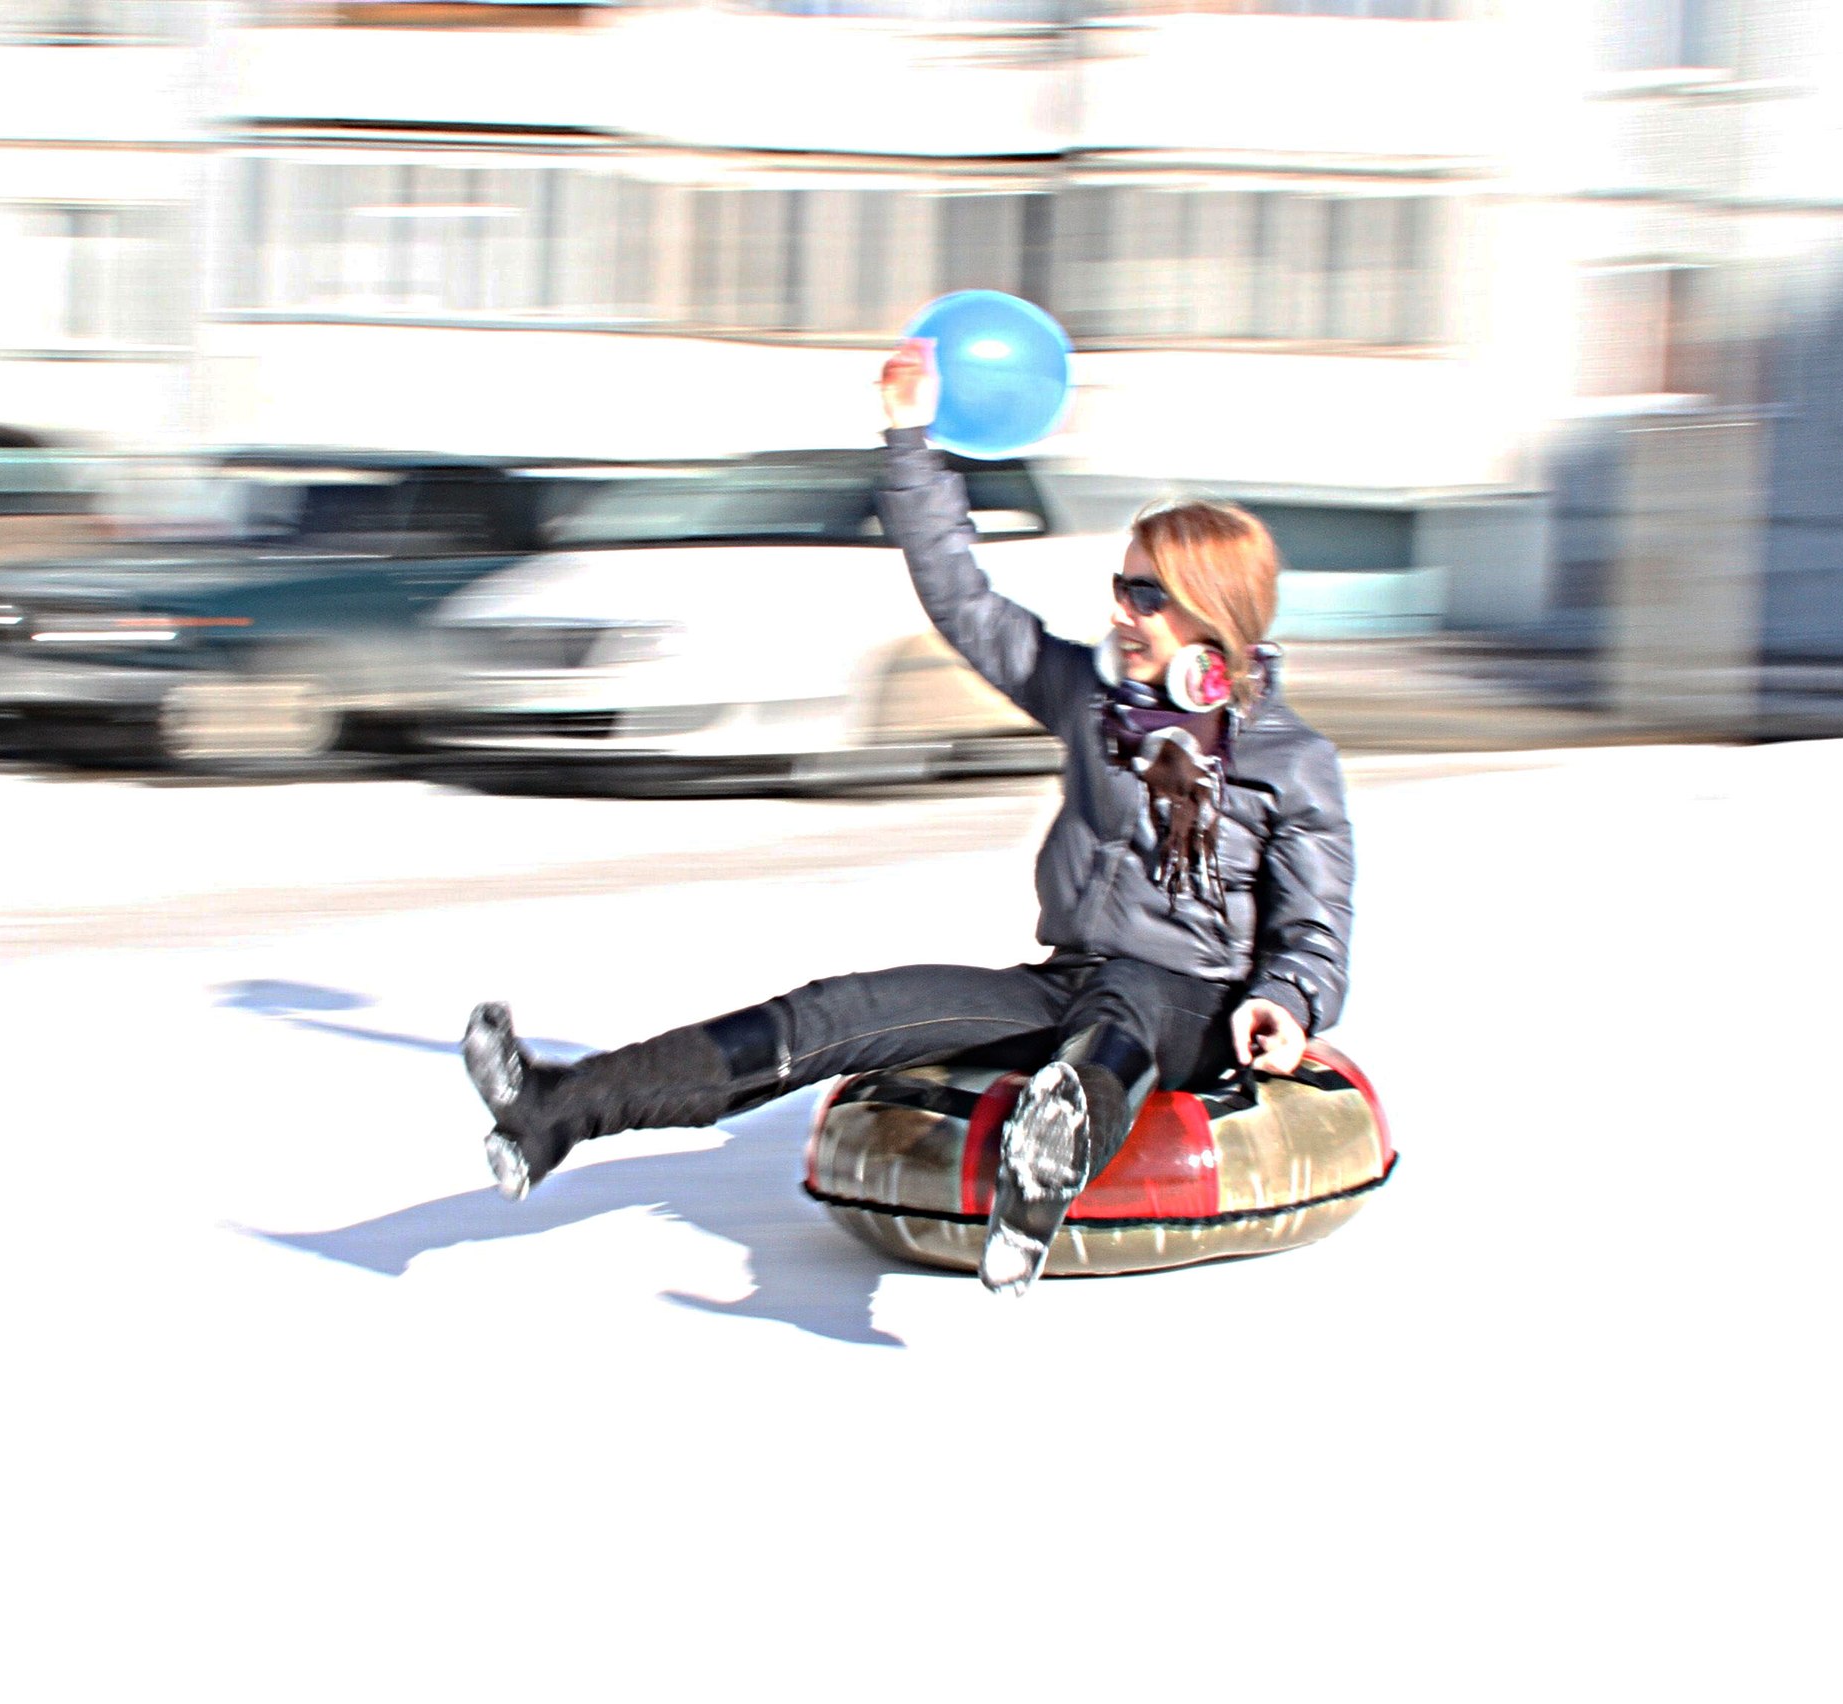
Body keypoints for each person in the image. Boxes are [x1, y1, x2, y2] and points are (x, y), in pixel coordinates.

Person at [461, 340, 1354, 1296]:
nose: (1122, 613)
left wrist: (1286, 1000)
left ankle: (1041, 1181)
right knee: (846, 1009)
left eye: (1147, 595)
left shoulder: (1289, 761)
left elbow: (1315, 930)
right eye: (1121, 587)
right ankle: (558, 1106)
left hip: (1192, 1004)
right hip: (1068, 979)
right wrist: (908, 437)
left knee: (1122, 1013)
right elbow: (964, 601)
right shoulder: (1090, 700)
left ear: (1214, 615)